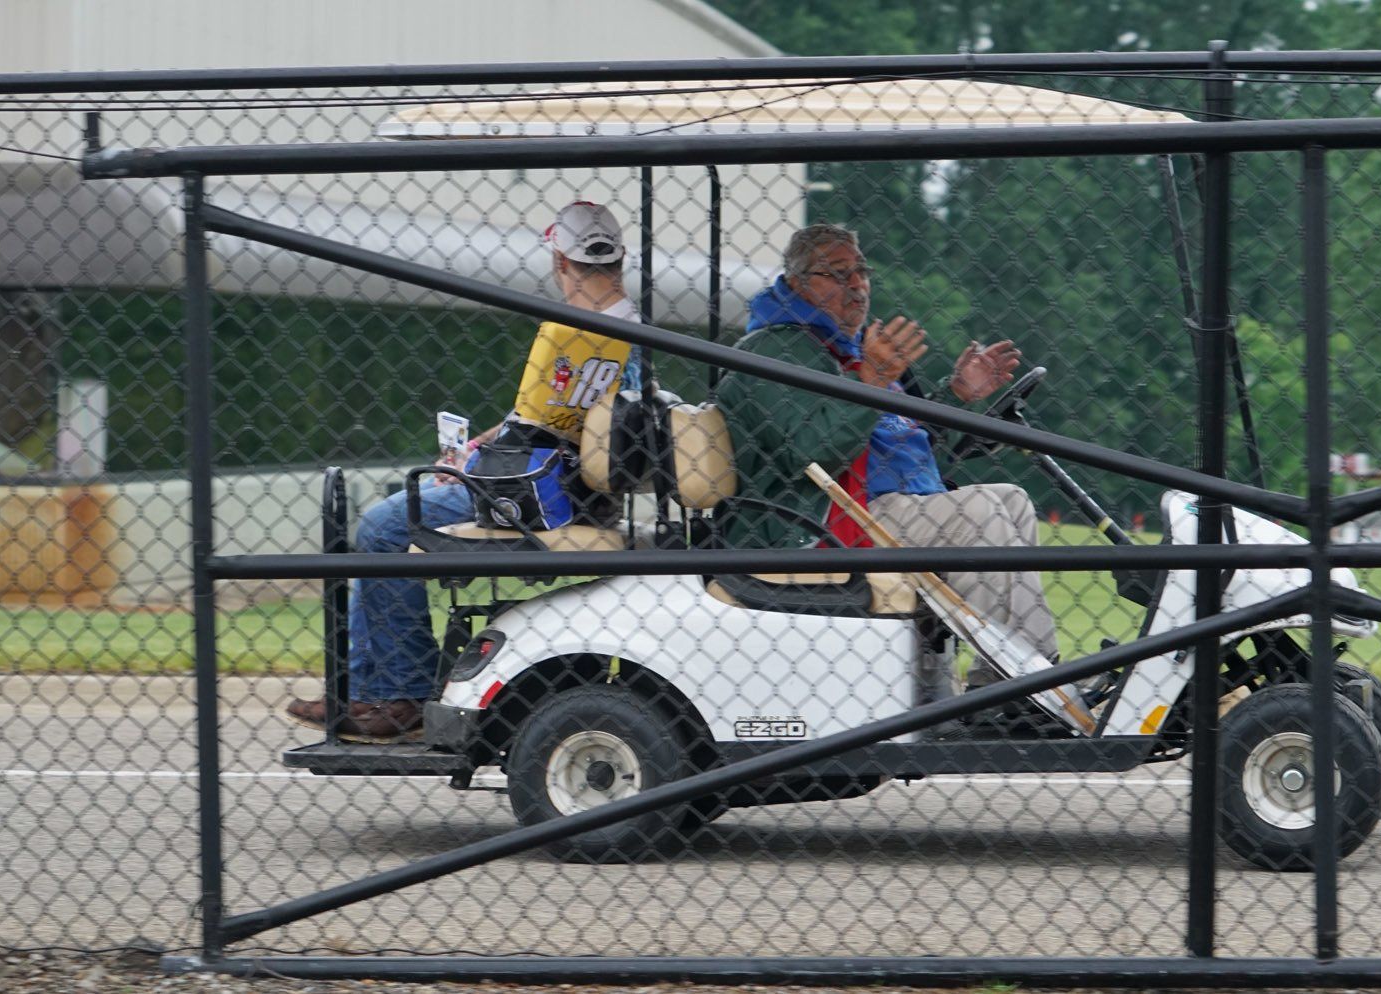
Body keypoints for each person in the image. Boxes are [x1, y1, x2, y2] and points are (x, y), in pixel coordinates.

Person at [286, 201, 645, 741]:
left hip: (544, 494)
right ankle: (373, 689)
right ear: (617, 262)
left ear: (560, 263)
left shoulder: (576, 331)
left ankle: (398, 694)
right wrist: (484, 447)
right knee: (410, 503)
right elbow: (547, 421)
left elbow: (557, 431)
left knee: (383, 525)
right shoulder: (629, 333)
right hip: (550, 480)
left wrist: (478, 466)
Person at [715, 223, 1057, 691]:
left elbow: (907, 438)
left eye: (861, 271)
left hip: (891, 507)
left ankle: (1016, 672)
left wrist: (957, 395)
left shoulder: (852, 349)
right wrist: (871, 380)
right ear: (798, 283)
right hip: (823, 519)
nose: (856, 286)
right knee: (980, 512)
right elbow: (814, 452)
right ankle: (1020, 686)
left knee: (1011, 498)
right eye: (837, 274)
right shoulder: (773, 353)